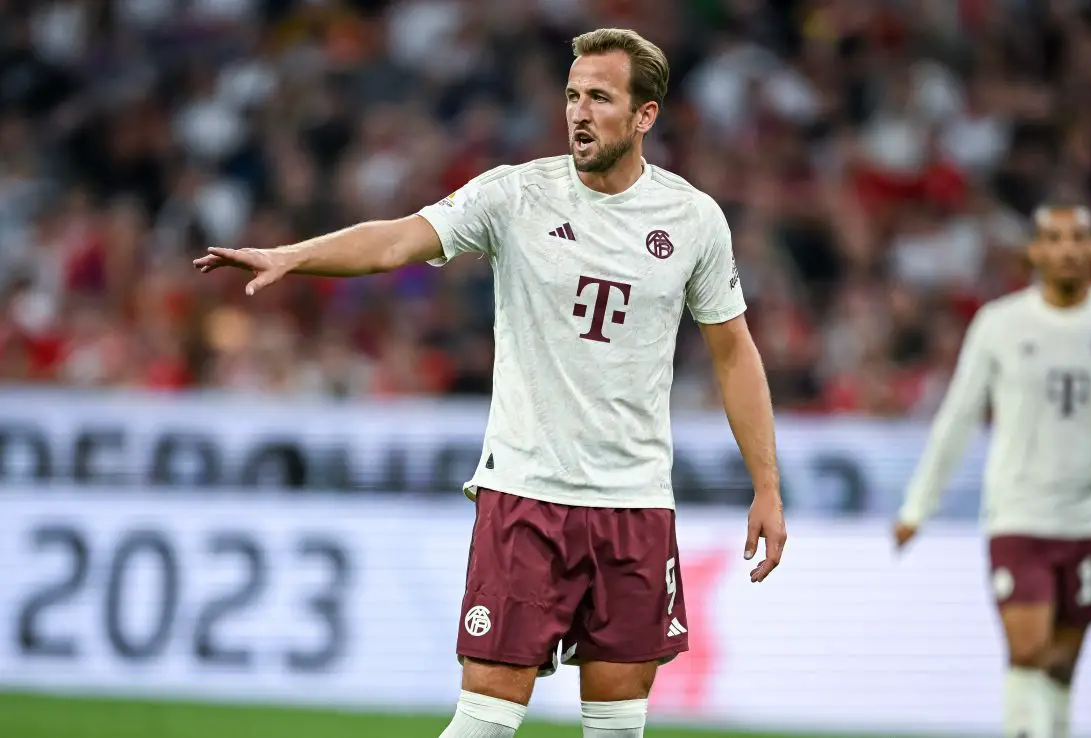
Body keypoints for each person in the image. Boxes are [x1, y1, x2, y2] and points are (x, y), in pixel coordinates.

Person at [194, 28, 787, 738]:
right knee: (483, 722)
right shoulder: (516, 195)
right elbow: (394, 240)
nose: (578, 112)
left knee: (617, 728)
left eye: (599, 97)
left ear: (644, 116)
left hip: (635, 504)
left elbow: (733, 354)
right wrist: (293, 255)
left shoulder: (692, 220)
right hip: (527, 496)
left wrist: (767, 486)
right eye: (572, 96)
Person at [893, 201, 1091, 738]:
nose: (1068, 250)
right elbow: (957, 417)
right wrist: (917, 507)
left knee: (1061, 664)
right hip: (1016, 512)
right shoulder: (1000, 324)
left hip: (1088, 518)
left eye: (1079, 239)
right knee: (1026, 649)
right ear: (1036, 250)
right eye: (1055, 239)